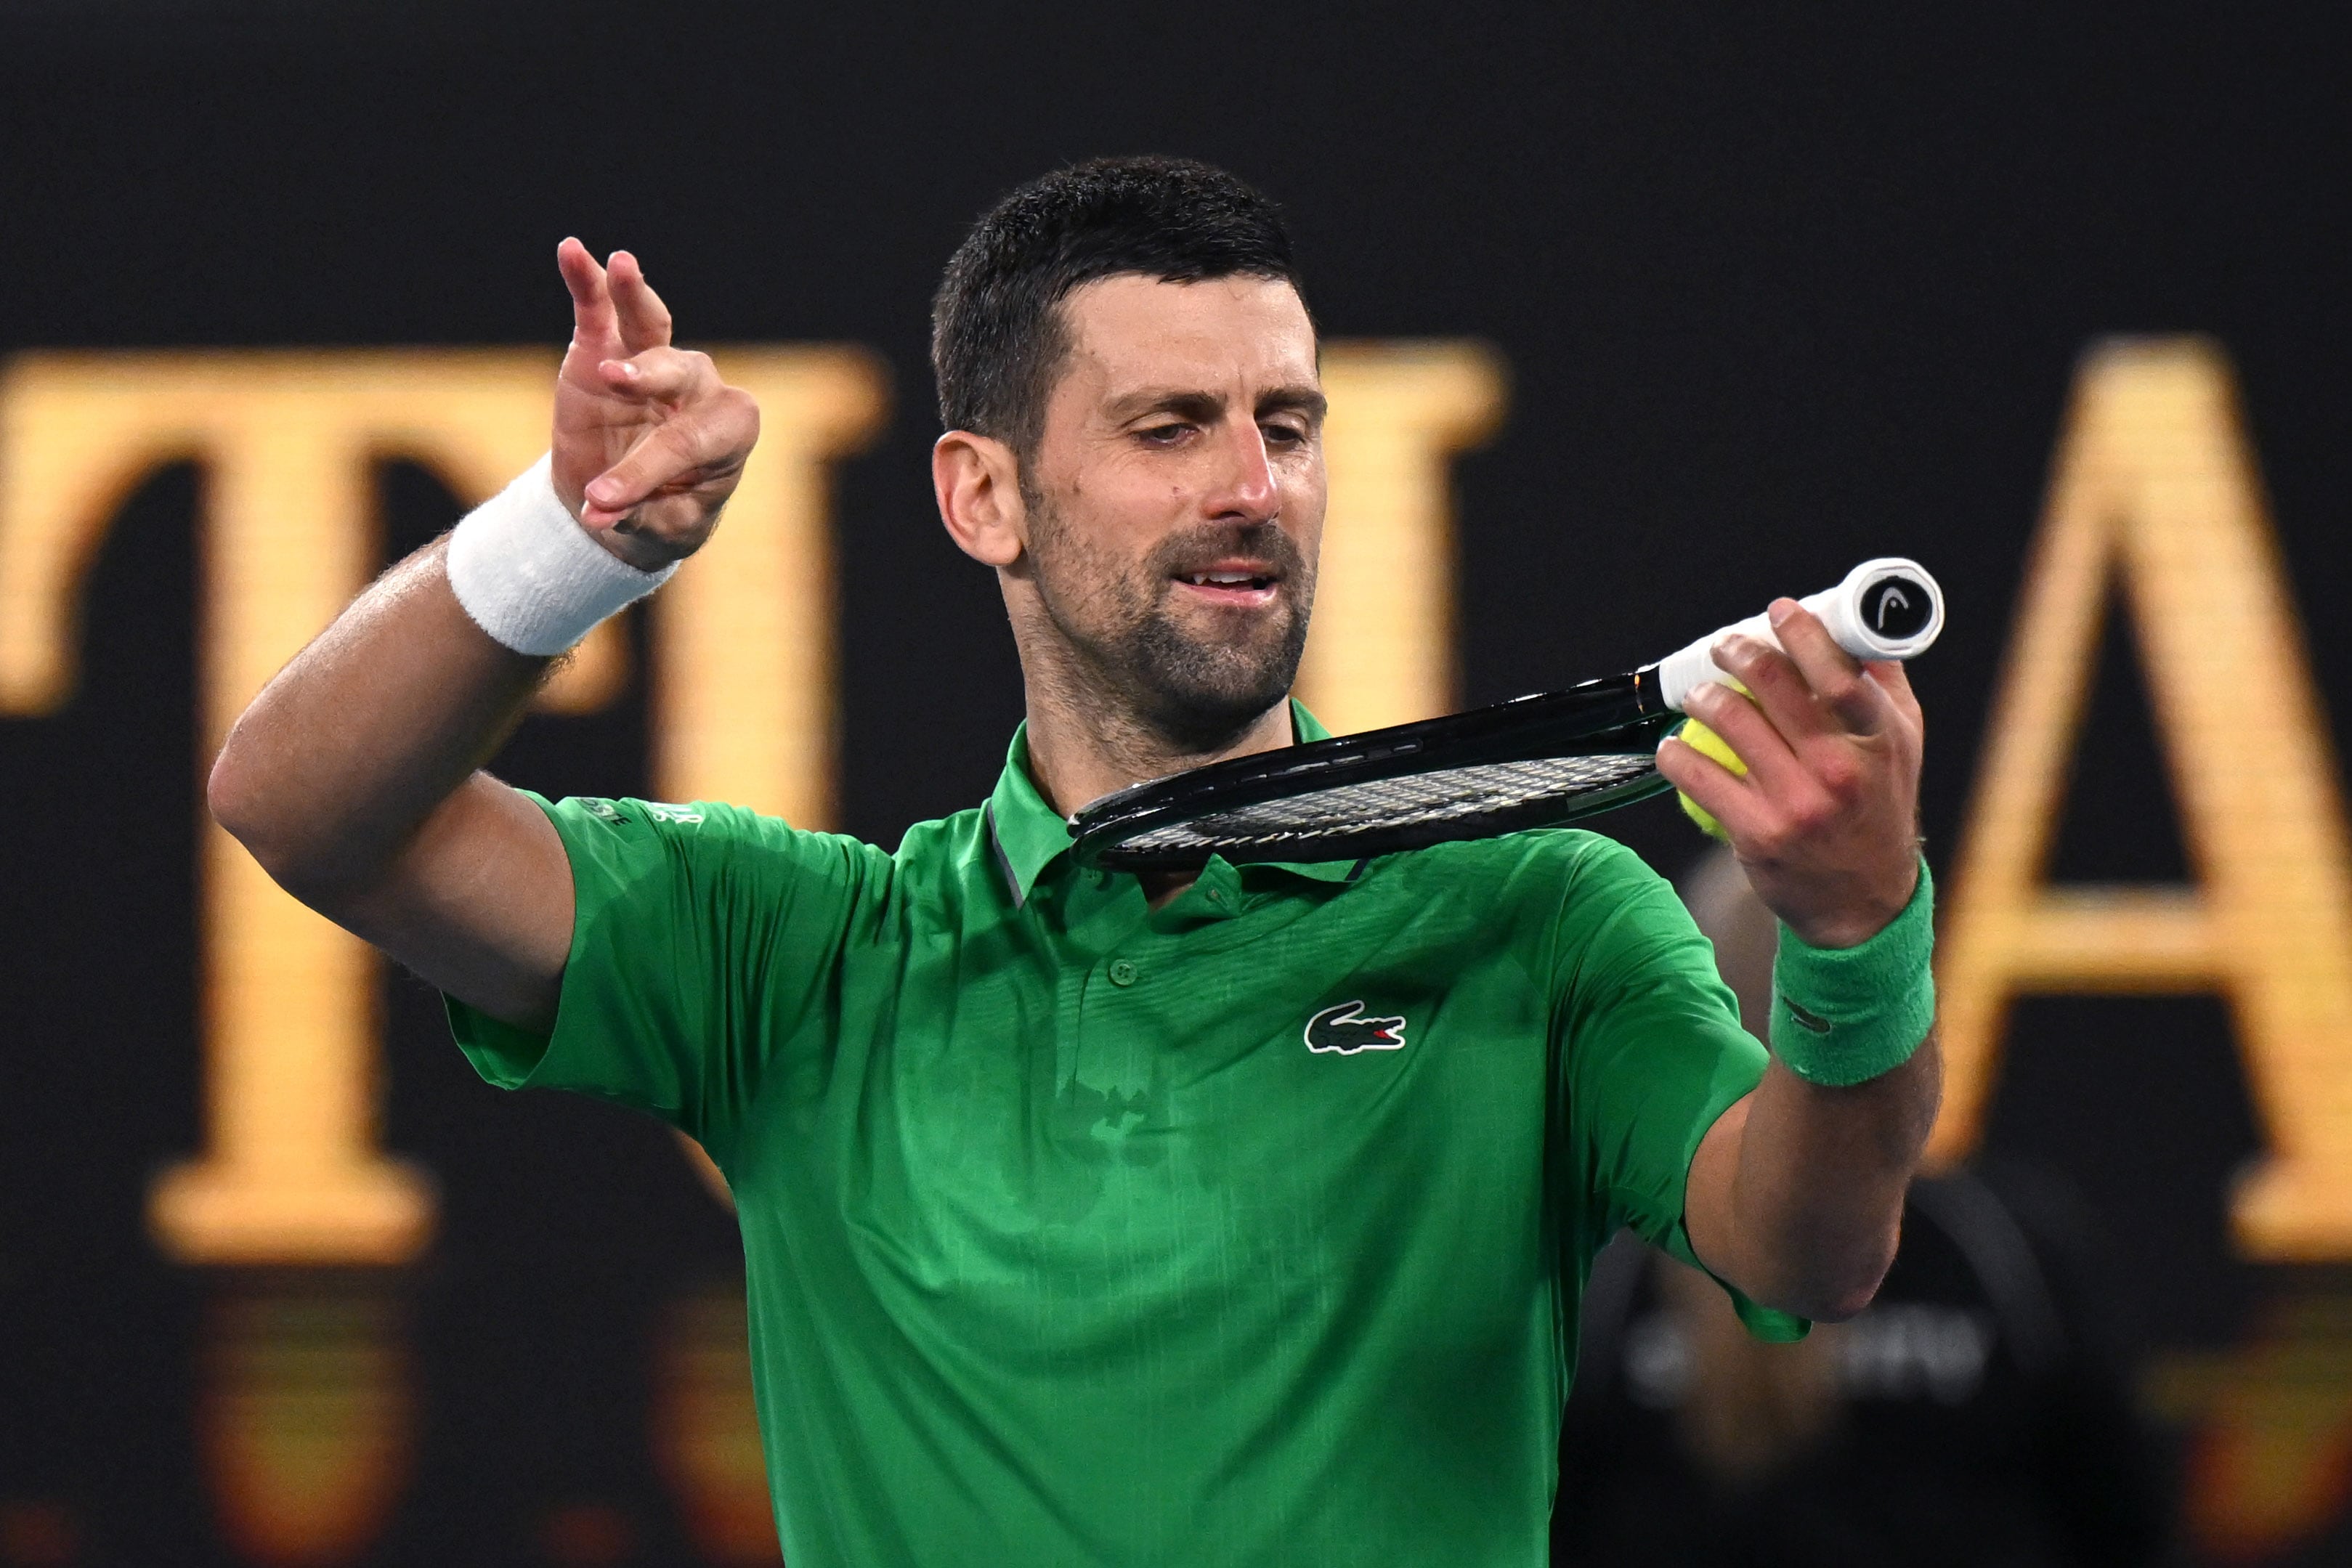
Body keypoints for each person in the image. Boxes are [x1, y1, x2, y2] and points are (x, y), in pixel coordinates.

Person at [206, 157, 1942, 1567]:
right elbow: (300, 803)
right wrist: (561, 552)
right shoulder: (800, 957)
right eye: (1168, 427)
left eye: (1287, 420)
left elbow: (1806, 1249)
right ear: (984, 497)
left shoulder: (1532, 912)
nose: (1252, 484)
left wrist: (1855, 938)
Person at [1555, 848, 2166, 1567]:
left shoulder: (1609, 1268)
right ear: (1900, 1011)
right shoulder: (2003, 1248)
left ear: (1687, 1019)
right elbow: (2125, 1517)